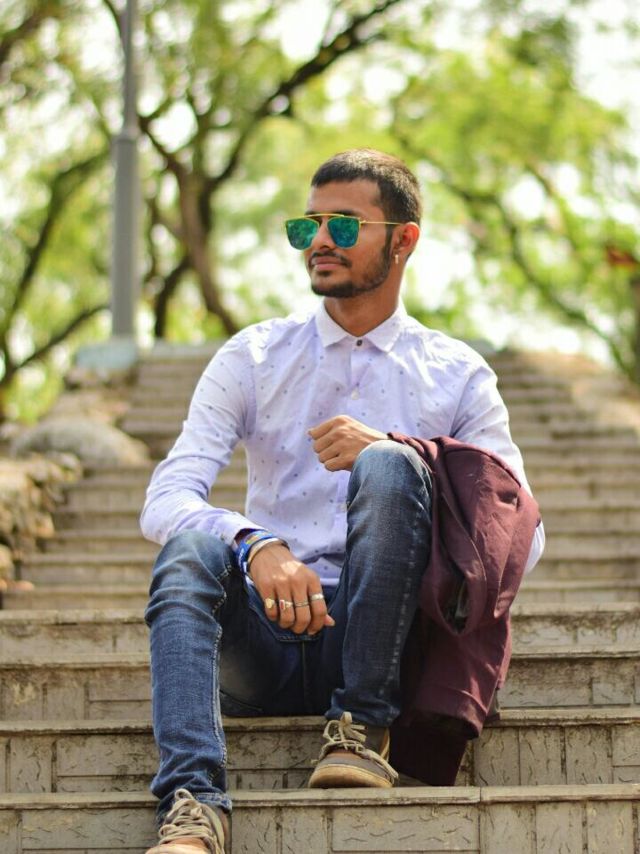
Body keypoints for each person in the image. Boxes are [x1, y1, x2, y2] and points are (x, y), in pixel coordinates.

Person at [140, 148, 545, 854]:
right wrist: (253, 543)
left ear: (404, 239)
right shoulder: (253, 356)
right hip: (265, 640)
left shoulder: (457, 373)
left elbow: (522, 538)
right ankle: (193, 804)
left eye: (344, 225)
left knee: (390, 464)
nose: (320, 241)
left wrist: (408, 454)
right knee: (188, 553)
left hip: (389, 641)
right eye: (308, 226)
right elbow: (166, 496)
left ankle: (362, 729)